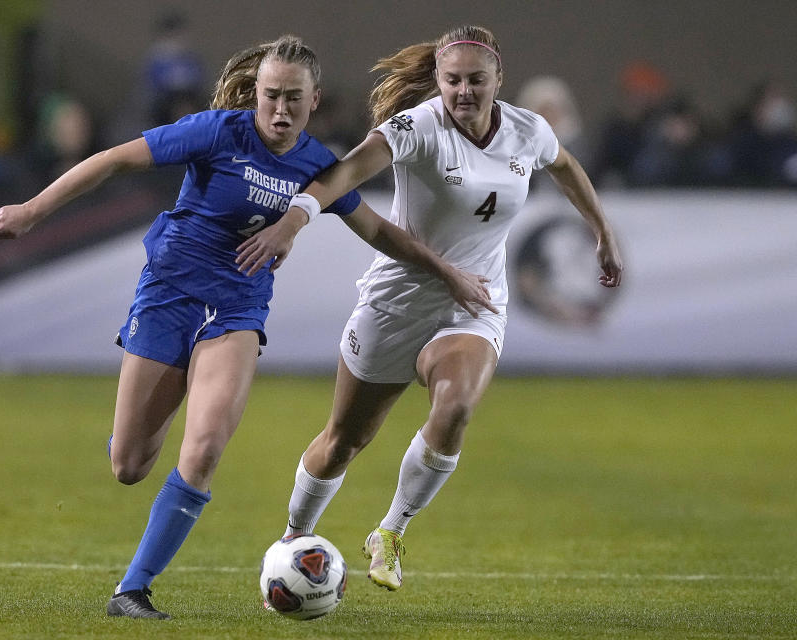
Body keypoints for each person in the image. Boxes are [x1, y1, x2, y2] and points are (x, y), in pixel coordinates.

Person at [0, 35, 493, 619]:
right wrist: (32, 211)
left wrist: (447, 272)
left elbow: (378, 230)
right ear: (256, 94)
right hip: (170, 296)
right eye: (271, 96)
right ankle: (140, 428)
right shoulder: (217, 131)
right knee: (129, 464)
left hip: (237, 312)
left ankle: (132, 590)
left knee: (202, 451)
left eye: (293, 99)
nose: (280, 110)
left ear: (314, 100)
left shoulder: (316, 165)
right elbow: (115, 159)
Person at [237, 25, 623, 591]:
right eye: (452, 80)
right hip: (396, 301)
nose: (464, 91)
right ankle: (294, 535)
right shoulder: (419, 127)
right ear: (438, 81)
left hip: (475, 303)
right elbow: (342, 174)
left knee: (456, 404)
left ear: (498, 80)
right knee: (345, 439)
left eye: (476, 80)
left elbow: (564, 165)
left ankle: (390, 532)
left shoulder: (526, 130)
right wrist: (292, 223)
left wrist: (602, 233)